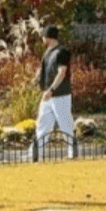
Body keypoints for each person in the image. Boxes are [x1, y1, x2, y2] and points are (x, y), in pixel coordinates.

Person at [34, 24, 74, 159]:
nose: (42, 39)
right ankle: (36, 153)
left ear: (48, 37)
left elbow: (62, 73)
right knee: (43, 123)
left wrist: (52, 89)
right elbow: (47, 69)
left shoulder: (62, 52)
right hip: (48, 95)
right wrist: (39, 77)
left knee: (65, 123)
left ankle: (72, 152)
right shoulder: (48, 52)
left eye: (43, 37)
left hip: (60, 95)